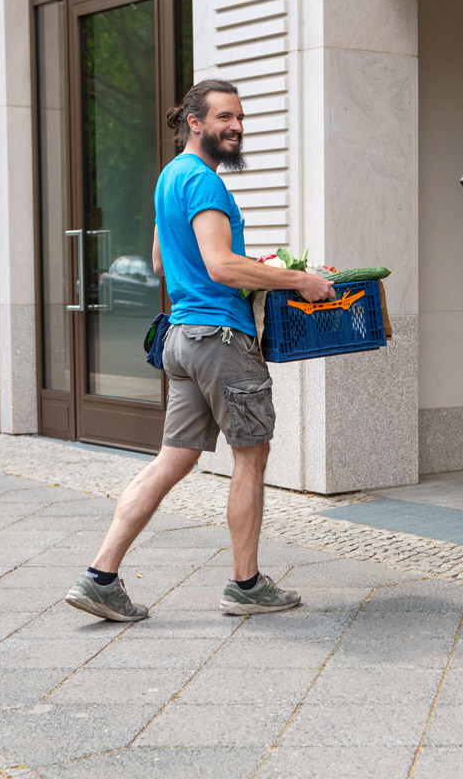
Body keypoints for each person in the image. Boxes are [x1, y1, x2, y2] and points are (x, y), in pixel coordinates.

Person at [65, 79, 334, 622]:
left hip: (182, 338)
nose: (235, 127)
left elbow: (165, 266)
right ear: (194, 122)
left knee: (173, 458)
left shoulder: (169, 179)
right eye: (224, 118)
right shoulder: (205, 183)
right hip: (219, 339)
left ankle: (100, 577)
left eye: (239, 118)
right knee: (250, 458)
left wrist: (242, 273)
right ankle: (247, 585)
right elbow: (218, 265)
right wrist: (295, 278)